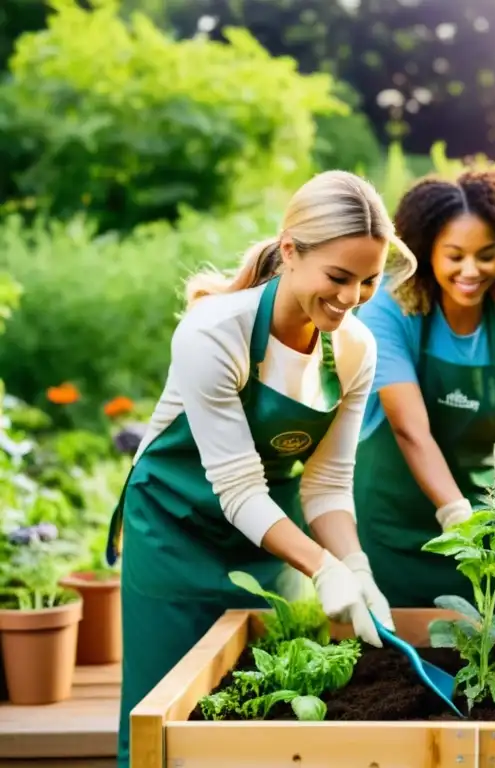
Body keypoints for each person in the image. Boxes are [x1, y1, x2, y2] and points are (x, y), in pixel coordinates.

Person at [104, 170, 416, 767]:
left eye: (369, 281)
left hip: (268, 543)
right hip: (174, 531)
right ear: (292, 251)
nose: (351, 298)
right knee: (161, 726)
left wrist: (355, 565)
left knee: (265, 719)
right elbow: (237, 486)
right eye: (339, 277)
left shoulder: (355, 349)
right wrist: (322, 566)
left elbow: (326, 483)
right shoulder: (214, 333)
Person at [352, 167, 495, 610]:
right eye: (454, 255)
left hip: (484, 537)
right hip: (392, 529)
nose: (471, 270)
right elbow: (411, 430)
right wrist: (454, 513)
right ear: (425, 252)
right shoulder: (388, 313)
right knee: (384, 668)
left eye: (486, 255)